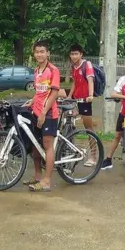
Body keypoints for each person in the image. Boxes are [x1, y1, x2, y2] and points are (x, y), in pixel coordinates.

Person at [22, 41, 60, 192]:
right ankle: (37, 176)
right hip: (35, 111)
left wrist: (44, 112)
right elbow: (39, 92)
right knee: (34, 145)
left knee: (47, 146)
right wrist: (32, 101)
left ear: (47, 53)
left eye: (42, 51)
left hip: (48, 114)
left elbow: (54, 93)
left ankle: (47, 181)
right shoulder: (36, 70)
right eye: (37, 52)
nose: (39, 54)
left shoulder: (53, 70)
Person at [67, 44, 97, 166]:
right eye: (72, 54)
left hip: (85, 100)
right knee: (67, 123)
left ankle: (93, 156)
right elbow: (74, 82)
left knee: (88, 128)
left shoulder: (86, 65)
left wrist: (90, 95)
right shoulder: (73, 67)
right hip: (76, 99)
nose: (74, 56)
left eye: (76, 54)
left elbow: (90, 80)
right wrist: (69, 96)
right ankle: (66, 151)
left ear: (81, 54)